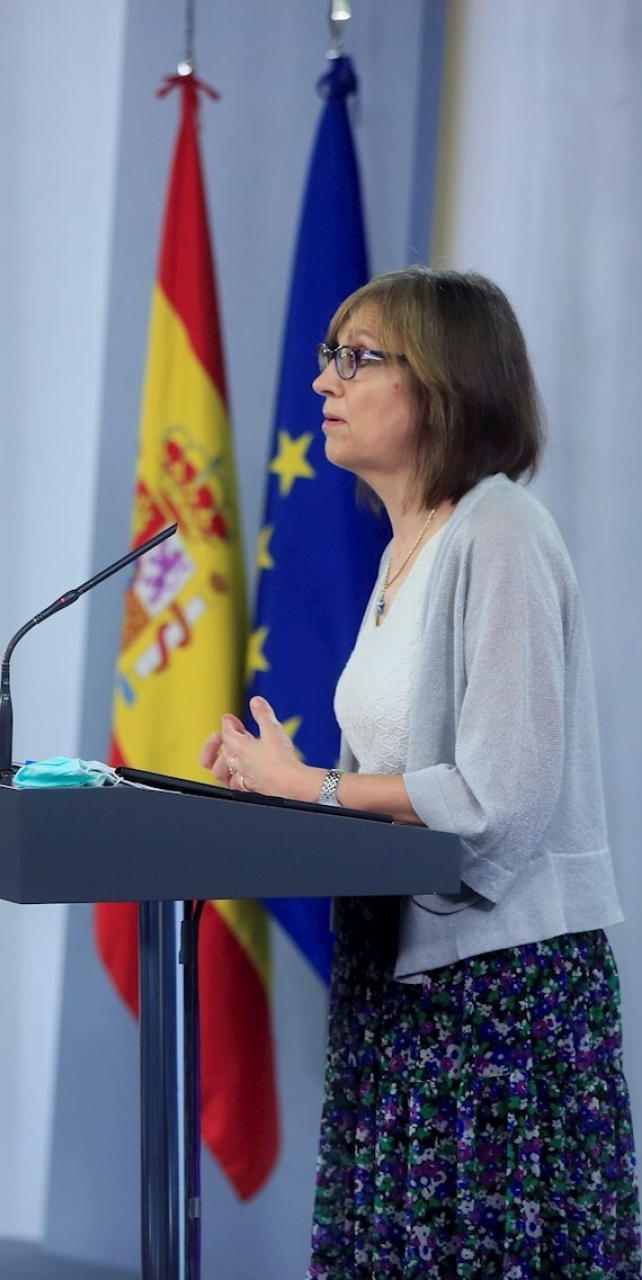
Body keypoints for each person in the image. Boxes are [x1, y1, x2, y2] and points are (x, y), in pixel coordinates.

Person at [202, 267, 640, 1277]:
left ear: (445, 382)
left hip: (499, 997)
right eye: (329, 356)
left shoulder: (499, 533)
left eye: (356, 359)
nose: (324, 381)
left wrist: (309, 788)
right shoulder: (407, 549)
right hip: (400, 985)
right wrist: (282, 782)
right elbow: (397, 779)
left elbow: (497, 798)